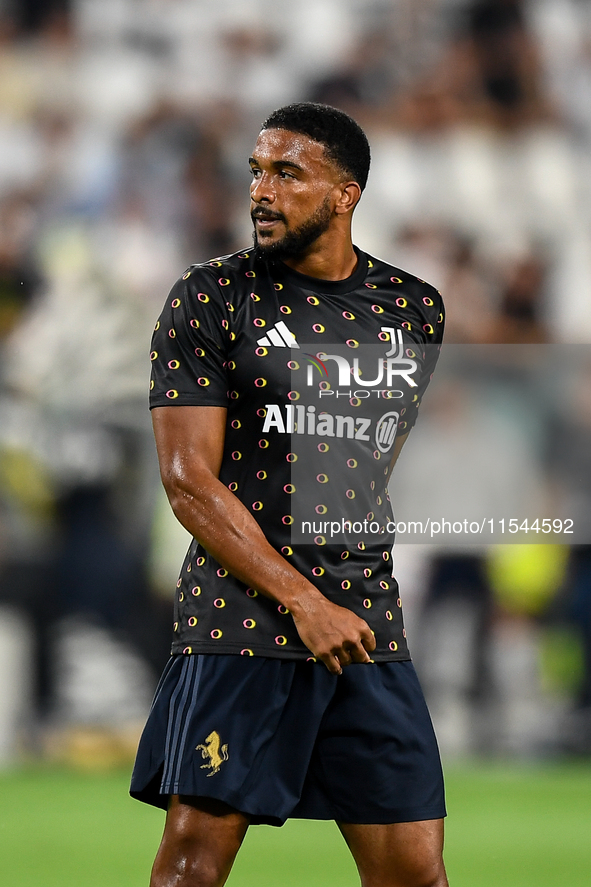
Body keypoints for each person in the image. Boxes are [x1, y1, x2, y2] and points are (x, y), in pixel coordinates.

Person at [130, 102, 447, 887]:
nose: (261, 191)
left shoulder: (413, 309)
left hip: (361, 619)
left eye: (286, 172)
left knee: (415, 872)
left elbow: (372, 461)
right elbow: (187, 480)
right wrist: (301, 599)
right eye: (255, 171)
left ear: (345, 195)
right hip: (243, 617)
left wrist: (336, 596)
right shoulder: (210, 296)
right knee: (193, 867)